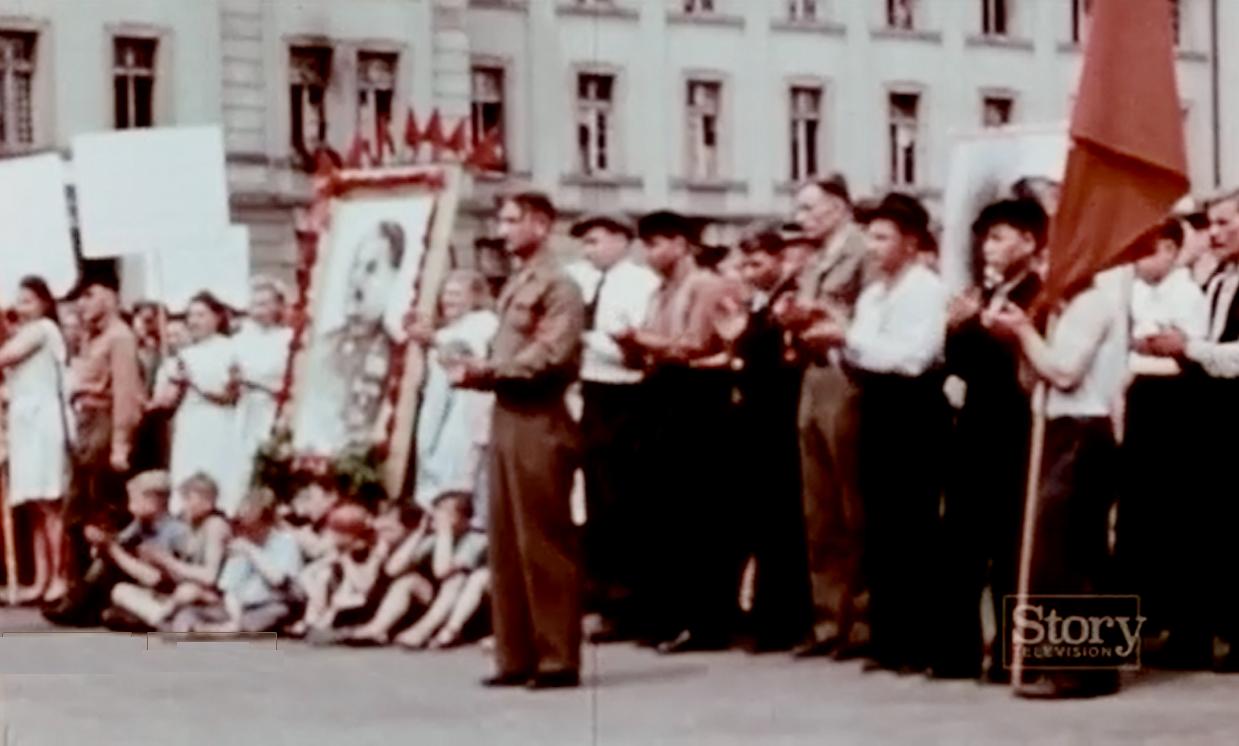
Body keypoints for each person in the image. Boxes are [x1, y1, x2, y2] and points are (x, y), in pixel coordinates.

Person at [446, 192, 585, 689]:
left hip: (540, 415)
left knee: (541, 539)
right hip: (507, 412)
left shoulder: (559, 285)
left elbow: (551, 352)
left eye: (511, 220)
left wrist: (487, 371)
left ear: (541, 224)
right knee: (505, 539)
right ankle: (515, 653)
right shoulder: (519, 283)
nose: (502, 231)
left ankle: (555, 657)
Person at [812, 193, 948, 674]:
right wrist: (834, 344)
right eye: (869, 236)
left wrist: (847, 339)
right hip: (874, 405)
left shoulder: (927, 289)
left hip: (913, 409)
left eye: (882, 237)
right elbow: (864, 355)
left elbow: (912, 356)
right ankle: (888, 637)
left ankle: (919, 639)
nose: (872, 246)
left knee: (914, 523)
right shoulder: (872, 295)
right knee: (878, 522)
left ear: (911, 243)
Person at [988, 264, 1129, 698]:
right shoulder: (1064, 309)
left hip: (1083, 429)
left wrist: (1026, 333)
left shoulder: (1092, 305)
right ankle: (1069, 661)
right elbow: (1035, 380)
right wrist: (1020, 342)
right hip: (1058, 426)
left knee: (1069, 547)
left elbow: (1065, 372)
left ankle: (1082, 667)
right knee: (1060, 546)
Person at [614, 209, 747, 654]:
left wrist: (647, 341)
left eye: (656, 244)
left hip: (699, 402)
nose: (650, 254)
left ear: (681, 243)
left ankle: (707, 620)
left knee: (699, 513)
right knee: (664, 513)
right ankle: (667, 613)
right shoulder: (660, 292)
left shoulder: (708, 286)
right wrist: (635, 347)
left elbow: (702, 343)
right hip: (662, 398)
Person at [934, 198, 1046, 681]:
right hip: (975, 425)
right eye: (987, 237)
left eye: (1000, 237)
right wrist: (957, 328)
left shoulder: (1040, 293)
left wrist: (988, 331)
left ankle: (1010, 648)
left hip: (1016, 424)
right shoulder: (980, 293)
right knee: (961, 537)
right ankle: (957, 650)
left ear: (1028, 241)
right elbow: (959, 361)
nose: (990, 247)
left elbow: (1023, 356)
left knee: (1008, 540)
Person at [774, 176, 871, 660]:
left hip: (847, 375)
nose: (804, 218)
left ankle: (862, 618)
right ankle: (828, 617)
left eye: (810, 208)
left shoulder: (863, 251)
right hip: (813, 374)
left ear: (838, 207)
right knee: (819, 505)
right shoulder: (814, 259)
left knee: (852, 500)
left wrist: (825, 315)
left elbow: (872, 315)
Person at [1142, 188, 1239, 671]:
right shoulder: (1220, 280)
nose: (1214, 234)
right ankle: (1195, 632)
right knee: (1204, 525)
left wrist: (1189, 348)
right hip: (1209, 415)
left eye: (1225, 223)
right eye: (1213, 226)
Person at [563, 213, 660, 641]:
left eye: (596, 241)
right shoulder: (586, 282)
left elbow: (632, 346)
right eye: (585, 243)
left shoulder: (638, 283)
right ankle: (601, 596)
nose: (589, 250)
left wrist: (584, 339)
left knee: (622, 500)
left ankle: (627, 602)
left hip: (625, 394)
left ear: (623, 240)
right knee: (598, 501)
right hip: (595, 392)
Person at [1121, 219, 1208, 663]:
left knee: (1175, 516)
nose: (1138, 262)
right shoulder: (1134, 290)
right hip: (1139, 401)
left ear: (1171, 250)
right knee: (1139, 518)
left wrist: (1151, 345)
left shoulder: (1187, 292)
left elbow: (1178, 349)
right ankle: (1144, 618)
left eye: (1147, 251)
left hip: (1173, 405)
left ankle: (1184, 627)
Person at [730, 230, 813, 652]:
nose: (750, 273)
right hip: (757, 421)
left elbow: (781, 361)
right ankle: (767, 614)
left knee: (782, 521)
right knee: (763, 519)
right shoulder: (760, 303)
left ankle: (785, 619)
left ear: (779, 261)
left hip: (779, 420)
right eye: (745, 265)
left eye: (758, 264)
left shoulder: (787, 301)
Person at [53, 263, 145, 619]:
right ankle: (82, 591)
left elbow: (126, 393)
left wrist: (121, 443)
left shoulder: (120, 337)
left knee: (99, 513)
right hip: (86, 422)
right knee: (77, 513)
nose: (82, 304)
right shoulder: (93, 337)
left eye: (89, 295)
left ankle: (92, 597)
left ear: (109, 296)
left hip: (104, 423)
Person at [0, 276, 73, 604]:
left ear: (44, 303)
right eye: (18, 300)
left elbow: (6, 356)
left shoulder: (43, 329)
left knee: (49, 501)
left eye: (27, 300)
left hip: (44, 421)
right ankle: (41, 579)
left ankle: (60, 575)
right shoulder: (25, 332)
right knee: (32, 503)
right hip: (25, 421)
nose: (19, 306)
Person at [407, 270, 499, 524]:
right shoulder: (447, 328)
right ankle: (428, 520)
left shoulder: (484, 322)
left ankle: (451, 522)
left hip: (465, 406)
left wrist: (433, 339)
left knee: (454, 461)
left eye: (456, 294)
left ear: (474, 297)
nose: (449, 300)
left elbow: (464, 352)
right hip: (436, 405)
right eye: (446, 294)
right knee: (428, 453)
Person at [45, 470, 187, 627]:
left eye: (134, 499)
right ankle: (81, 603)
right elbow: (118, 542)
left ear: (153, 501)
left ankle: (159, 620)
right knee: (114, 582)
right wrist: (101, 542)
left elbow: (156, 579)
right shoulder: (141, 524)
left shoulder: (175, 532)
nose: (129, 506)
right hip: (145, 589)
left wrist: (112, 548)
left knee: (117, 566)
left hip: (169, 595)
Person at [152, 292, 244, 517]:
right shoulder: (184, 355)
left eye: (201, 315)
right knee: (187, 469)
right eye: (190, 315)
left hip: (219, 421)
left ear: (217, 317)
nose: (194, 321)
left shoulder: (231, 350)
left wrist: (196, 382)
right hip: (190, 421)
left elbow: (231, 394)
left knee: (218, 472)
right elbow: (167, 401)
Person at [171, 487, 304, 634]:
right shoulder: (240, 544)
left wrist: (251, 551)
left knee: (275, 613)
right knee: (187, 615)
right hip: (239, 608)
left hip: (272, 602)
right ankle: (225, 627)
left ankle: (225, 629)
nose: (248, 530)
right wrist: (235, 618)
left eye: (254, 525)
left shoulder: (285, 542)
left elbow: (278, 580)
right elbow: (230, 589)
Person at [107, 472, 231, 630]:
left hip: (211, 596)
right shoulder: (190, 524)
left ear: (207, 502)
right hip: (178, 594)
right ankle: (163, 618)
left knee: (186, 591)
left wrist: (167, 561)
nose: (184, 505)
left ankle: (162, 619)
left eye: (189, 499)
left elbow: (209, 577)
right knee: (121, 590)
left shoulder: (215, 526)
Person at [392, 492, 490, 650]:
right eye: (437, 511)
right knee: (407, 581)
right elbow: (393, 569)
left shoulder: (475, 540)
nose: (439, 516)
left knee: (455, 579)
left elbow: (442, 571)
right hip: (440, 602)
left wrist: (445, 533)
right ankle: (377, 629)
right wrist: (419, 533)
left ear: (465, 520)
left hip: (474, 610)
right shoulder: (434, 539)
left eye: (446, 512)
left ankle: (426, 630)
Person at [232, 278, 294, 492]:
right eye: (256, 304)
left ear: (277, 306)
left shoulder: (287, 338)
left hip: (271, 405)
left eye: (266, 304)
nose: (260, 310)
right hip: (242, 406)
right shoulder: (239, 339)